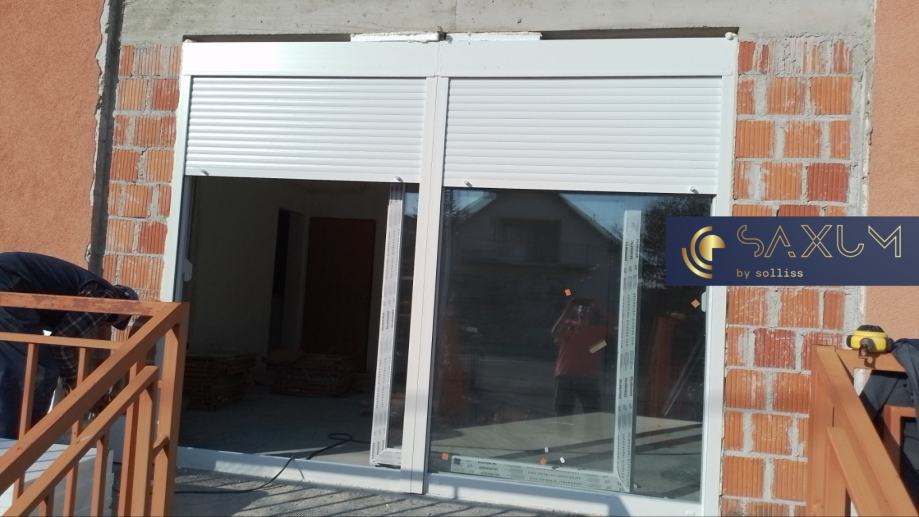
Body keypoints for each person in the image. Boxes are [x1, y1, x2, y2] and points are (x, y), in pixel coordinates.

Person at [0, 252, 138, 439]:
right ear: (124, 307)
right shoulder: (106, 298)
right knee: (41, 367)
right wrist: (75, 383)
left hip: (10, 281)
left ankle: (14, 436)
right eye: (111, 321)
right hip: (9, 282)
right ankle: (22, 439)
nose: (105, 323)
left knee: (14, 364)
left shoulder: (87, 286)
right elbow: (60, 343)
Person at [550, 298, 608, 416]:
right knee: (563, 416)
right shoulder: (569, 326)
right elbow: (555, 332)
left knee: (593, 415)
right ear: (575, 312)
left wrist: (599, 308)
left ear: (593, 314)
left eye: (587, 309)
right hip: (566, 376)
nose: (583, 310)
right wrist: (569, 308)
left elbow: (612, 334)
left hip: (587, 377)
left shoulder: (598, 331)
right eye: (581, 308)